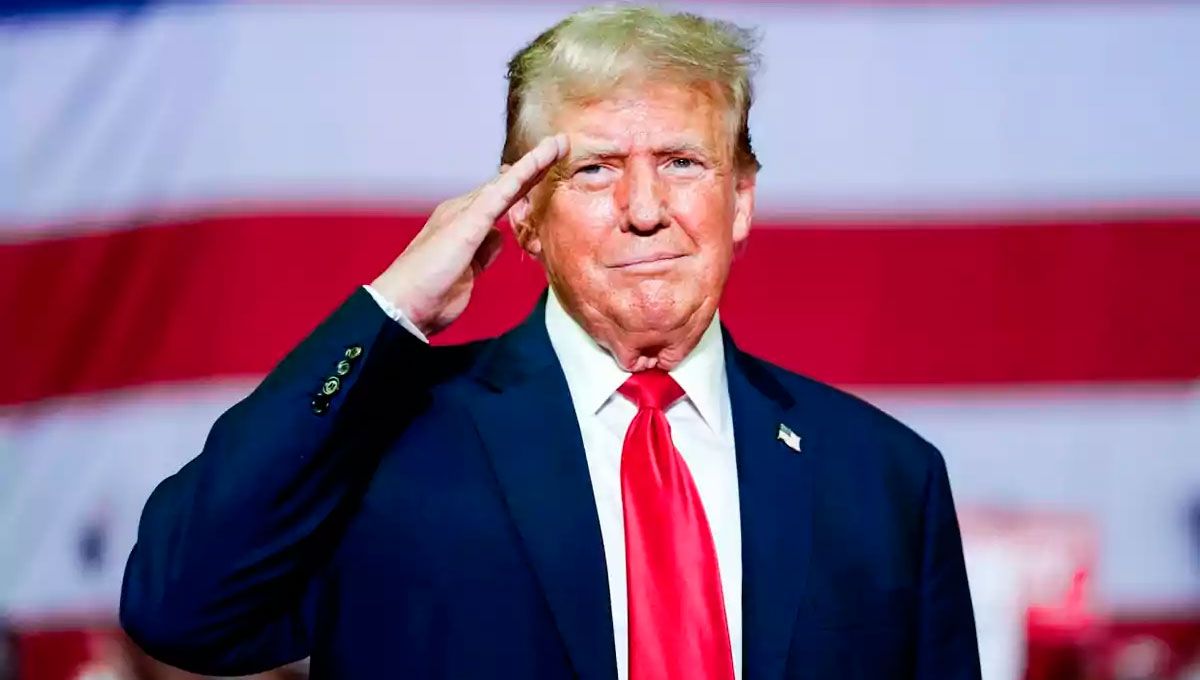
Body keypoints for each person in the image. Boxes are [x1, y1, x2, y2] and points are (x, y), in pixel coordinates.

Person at [120, 5, 981, 679]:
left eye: (682, 162)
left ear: (741, 202)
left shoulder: (883, 479)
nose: (645, 209)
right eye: (595, 169)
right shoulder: (388, 442)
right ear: (523, 214)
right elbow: (179, 608)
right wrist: (390, 310)